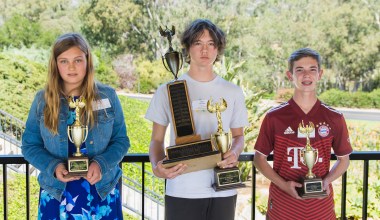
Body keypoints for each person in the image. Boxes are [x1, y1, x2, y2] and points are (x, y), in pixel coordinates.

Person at [145, 19, 249, 220]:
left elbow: (238, 136)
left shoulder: (233, 91)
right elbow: (156, 140)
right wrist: (157, 168)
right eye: (198, 43)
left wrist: (234, 153)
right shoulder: (167, 90)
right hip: (183, 187)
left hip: (223, 189)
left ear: (218, 49)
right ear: (187, 47)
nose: (205, 50)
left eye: (211, 44)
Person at [21, 33, 130, 219]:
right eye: (64, 61)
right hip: (57, 193)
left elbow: (121, 141)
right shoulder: (43, 100)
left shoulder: (107, 96)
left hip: (102, 191)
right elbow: (29, 146)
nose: (71, 67)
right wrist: (54, 166)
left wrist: (101, 164)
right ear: (55, 64)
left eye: (78, 60)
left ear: (88, 61)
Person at [253, 48, 353, 219]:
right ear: (290, 75)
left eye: (312, 69)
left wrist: (326, 181)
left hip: (320, 209)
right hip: (283, 208)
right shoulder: (274, 117)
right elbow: (259, 159)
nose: (306, 75)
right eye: (299, 70)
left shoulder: (334, 117)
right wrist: (284, 185)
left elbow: (344, 160)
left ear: (320, 74)